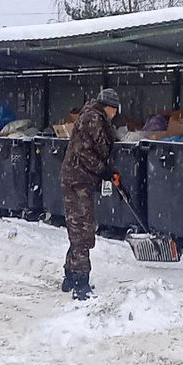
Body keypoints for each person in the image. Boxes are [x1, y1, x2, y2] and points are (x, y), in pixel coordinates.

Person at [60, 88, 121, 300]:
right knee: (83, 231)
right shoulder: (93, 119)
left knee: (79, 229)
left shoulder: (98, 119)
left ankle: (70, 276)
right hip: (77, 181)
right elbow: (83, 151)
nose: (115, 114)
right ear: (110, 107)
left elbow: (102, 150)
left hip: (82, 180)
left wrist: (110, 169)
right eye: (115, 110)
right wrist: (102, 169)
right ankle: (80, 284)